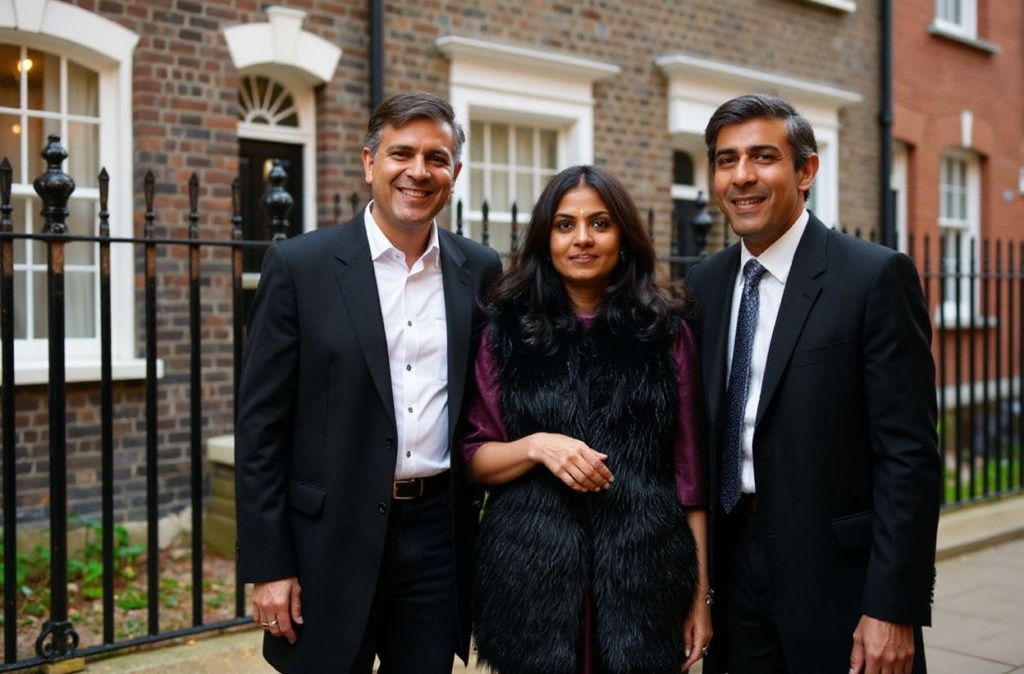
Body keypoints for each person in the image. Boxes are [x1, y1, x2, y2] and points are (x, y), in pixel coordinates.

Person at [234, 91, 503, 674]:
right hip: (328, 538)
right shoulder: (300, 266)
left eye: (436, 158)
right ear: (369, 163)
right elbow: (260, 429)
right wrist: (269, 564)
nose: (418, 171)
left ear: (454, 173)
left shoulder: (479, 269)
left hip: (437, 535)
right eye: (401, 153)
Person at [687, 93, 942, 674]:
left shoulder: (874, 277)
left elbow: (909, 457)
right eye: (726, 161)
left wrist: (892, 607)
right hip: (734, 573)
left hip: (840, 583)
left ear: (806, 171)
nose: (742, 177)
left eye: (763, 157)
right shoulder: (705, 285)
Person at [461, 164, 712, 674]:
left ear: (623, 235)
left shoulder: (667, 334)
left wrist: (700, 597)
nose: (582, 239)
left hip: (645, 582)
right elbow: (474, 459)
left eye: (600, 223)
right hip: (530, 584)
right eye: (564, 224)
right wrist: (537, 446)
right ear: (544, 238)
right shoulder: (502, 334)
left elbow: (691, 479)